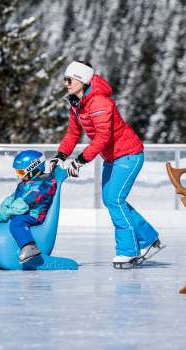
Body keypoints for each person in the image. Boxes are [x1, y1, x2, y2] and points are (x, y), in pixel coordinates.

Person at [49, 60, 163, 269]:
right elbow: (73, 134)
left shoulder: (100, 102)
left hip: (128, 154)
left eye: (69, 80)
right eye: (65, 79)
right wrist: (61, 155)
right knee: (111, 199)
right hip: (112, 157)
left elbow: (102, 138)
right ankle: (148, 237)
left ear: (82, 80)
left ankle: (128, 252)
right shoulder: (77, 104)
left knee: (114, 200)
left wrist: (80, 160)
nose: (66, 83)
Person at [0, 150, 57, 263]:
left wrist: (10, 211)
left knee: (17, 223)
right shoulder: (27, 182)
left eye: (20, 172)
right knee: (0, 222)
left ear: (33, 168)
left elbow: (25, 202)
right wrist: (5, 206)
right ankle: (4, 250)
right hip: (25, 212)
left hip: (35, 214)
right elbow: (15, 197)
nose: (18, 175)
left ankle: (30, 247)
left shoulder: (45, 183)